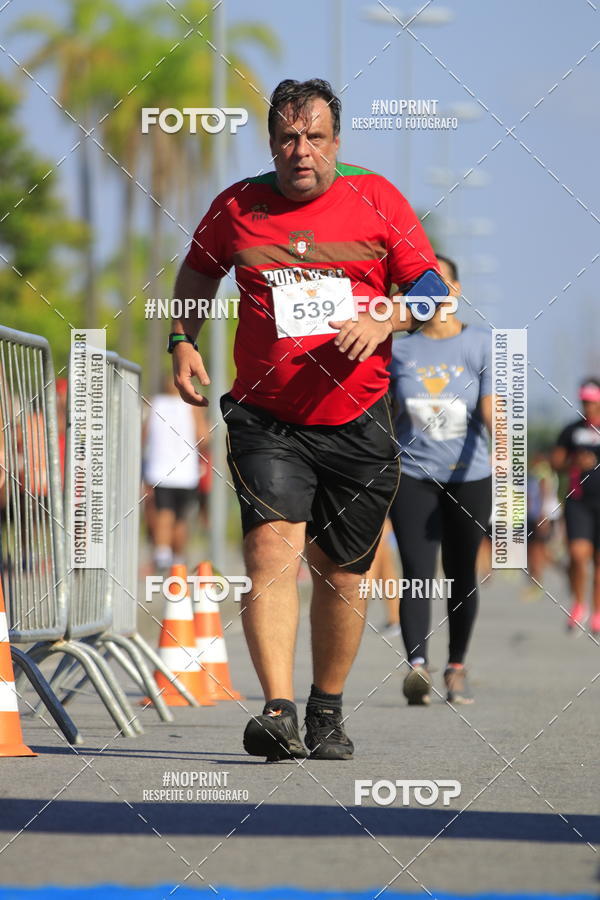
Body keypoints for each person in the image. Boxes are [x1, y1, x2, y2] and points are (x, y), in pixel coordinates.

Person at [169, 78, 438, 761]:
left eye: (314, 137)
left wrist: (390, 314)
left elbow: (433, 291)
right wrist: (182, 341)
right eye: (288, 138)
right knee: (269, 551)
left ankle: (326, 708)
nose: (301, 151)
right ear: (271, 143)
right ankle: (278, 710)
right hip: (267, 417)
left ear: (335, 143)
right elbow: (199, 271)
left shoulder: (376, 197)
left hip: (357, 416)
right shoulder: (237, 206)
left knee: (343, 573)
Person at [389, 255, 492, 706]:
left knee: (460, 573)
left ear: (456, 289)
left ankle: (456, 666)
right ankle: (417, 668)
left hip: (470, 476)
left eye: (440, 282)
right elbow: (383, 412)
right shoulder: (398, 348)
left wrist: (506, 453)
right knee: (416, 570)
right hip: (413, 474)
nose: (431, 291)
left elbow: (493, 408)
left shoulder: (484, 344)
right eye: (420, 285)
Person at [143, 374, 209, 572]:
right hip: (186, 472)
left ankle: (162, 554)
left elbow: (144, 435)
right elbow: (202, 436)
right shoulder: (192, 406)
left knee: (163, 511)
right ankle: (177, 559)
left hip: (159, 469)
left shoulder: (156, 403)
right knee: (180, 517)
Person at [550, 379, 600, 635]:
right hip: (578, 501)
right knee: (579, 556)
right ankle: (579, 604)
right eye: (584, 401)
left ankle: (597, 612)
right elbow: (555, 462)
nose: (588, 406)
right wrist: (574, 460)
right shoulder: (571, 430)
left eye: (592, 401)